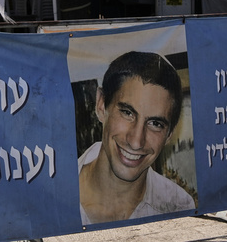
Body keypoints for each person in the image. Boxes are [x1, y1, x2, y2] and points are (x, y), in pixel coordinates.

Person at [78, 51, 195, 225]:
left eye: (155, 123)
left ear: (169, 135)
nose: (136, 141)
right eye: (127, 113)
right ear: (101, 105)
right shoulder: (50, 196)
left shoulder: (178, 205)